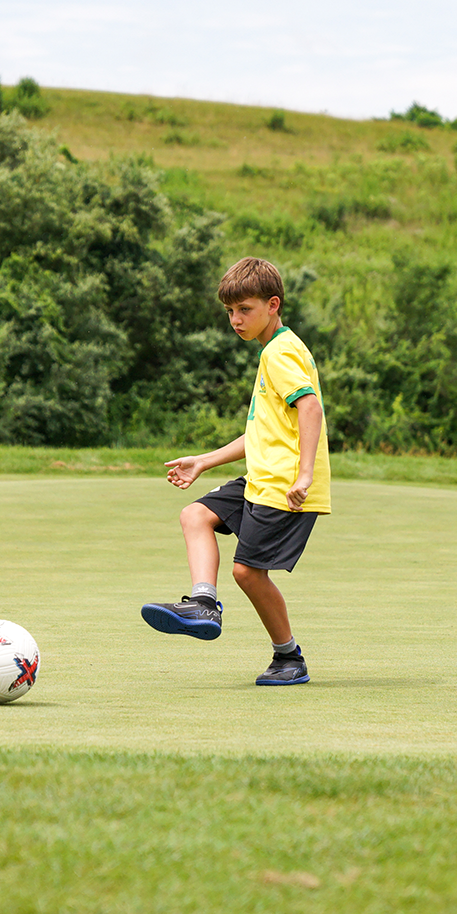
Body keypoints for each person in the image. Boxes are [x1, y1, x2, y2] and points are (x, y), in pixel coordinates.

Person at [142, 256, 330, 686]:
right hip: (264, 476)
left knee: (247, 571)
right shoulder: (275, 351)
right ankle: (203, 604)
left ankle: (289, 658)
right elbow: (263, 434)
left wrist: (303, 476)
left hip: (283, 485)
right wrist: (204, 461)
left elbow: (311, 407)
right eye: (230, 311)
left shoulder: (281, 353)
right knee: (196, 515)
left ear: (273, 304)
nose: (235, 319)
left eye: (245, 309)